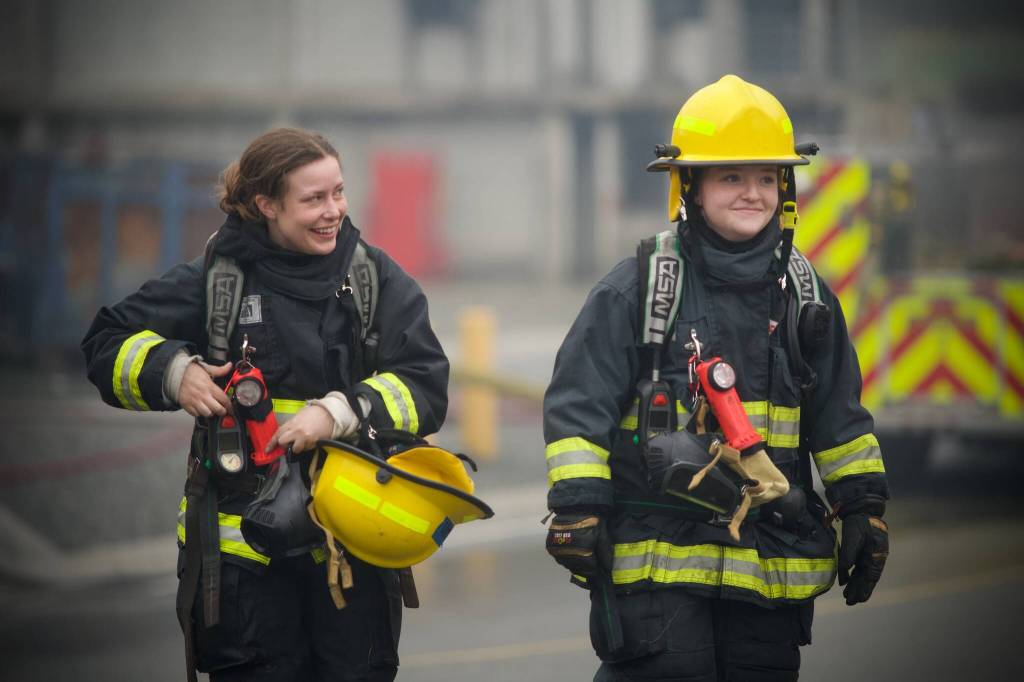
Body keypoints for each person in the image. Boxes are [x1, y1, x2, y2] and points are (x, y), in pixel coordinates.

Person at [542, 75, 890, 681]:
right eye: (731, 177)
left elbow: (840, 416)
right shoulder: (637, 290)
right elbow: (579, 407)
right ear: (690, 187)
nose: (753, 193)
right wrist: (578, 508)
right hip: (659, 569)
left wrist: (863, 506)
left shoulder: (806, 297)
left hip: (769, 569)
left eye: (766, 178)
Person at [81, 128, 449, 681]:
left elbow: (426, 384)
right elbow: (106, 341)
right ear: (267, 205)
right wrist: (174, 372)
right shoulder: (219, 282)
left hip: (352, 550)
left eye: (338, 192)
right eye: (313, 199)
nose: (333, 211)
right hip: (244, 570)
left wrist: (339, 412)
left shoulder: (373, 279)